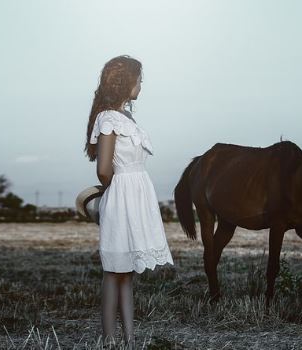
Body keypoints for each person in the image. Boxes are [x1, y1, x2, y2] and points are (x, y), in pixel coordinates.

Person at [84, 55, 174, 348]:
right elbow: (103, 169)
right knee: (114, 271)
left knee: (128, 272)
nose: (141, 85)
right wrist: (114, 193)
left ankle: (130, 340)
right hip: (122, 195)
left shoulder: (126, 118)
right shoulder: (108, 118)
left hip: (136, 195)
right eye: (139, 79)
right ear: (126, 82)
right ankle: (110, 341)